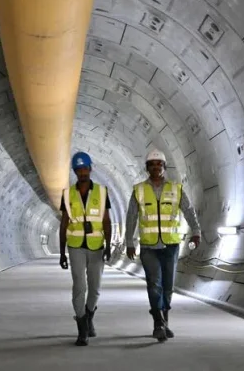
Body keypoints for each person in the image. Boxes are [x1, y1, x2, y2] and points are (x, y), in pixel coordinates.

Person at [125, 148, 201, 342]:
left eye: (159, 164)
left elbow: (189, 211)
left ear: (164, 167)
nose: (156, 167)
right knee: (154, 284)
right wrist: (129, 242)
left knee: (168, 287)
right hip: (149, 247)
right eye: (152, 164)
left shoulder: (176, 189)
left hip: (171, 245)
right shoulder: (139, 190)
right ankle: (158, 322)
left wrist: (196, 232)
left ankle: (164, 320)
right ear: (147, 168)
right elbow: (131, 217)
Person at [59, 151, 112, 346]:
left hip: (96, 245)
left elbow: (107, 221)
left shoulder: (101, 192)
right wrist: (62, 252)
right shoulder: (67, 194)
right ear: (75, 172)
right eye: (79, 169)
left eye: (85, 168)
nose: (82, 172)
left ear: (90, 169)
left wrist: (108, 245)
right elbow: (64, 223)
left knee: (95, 288)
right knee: (79, 286)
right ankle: (82, 328)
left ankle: (89, 317)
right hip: (75, 246)